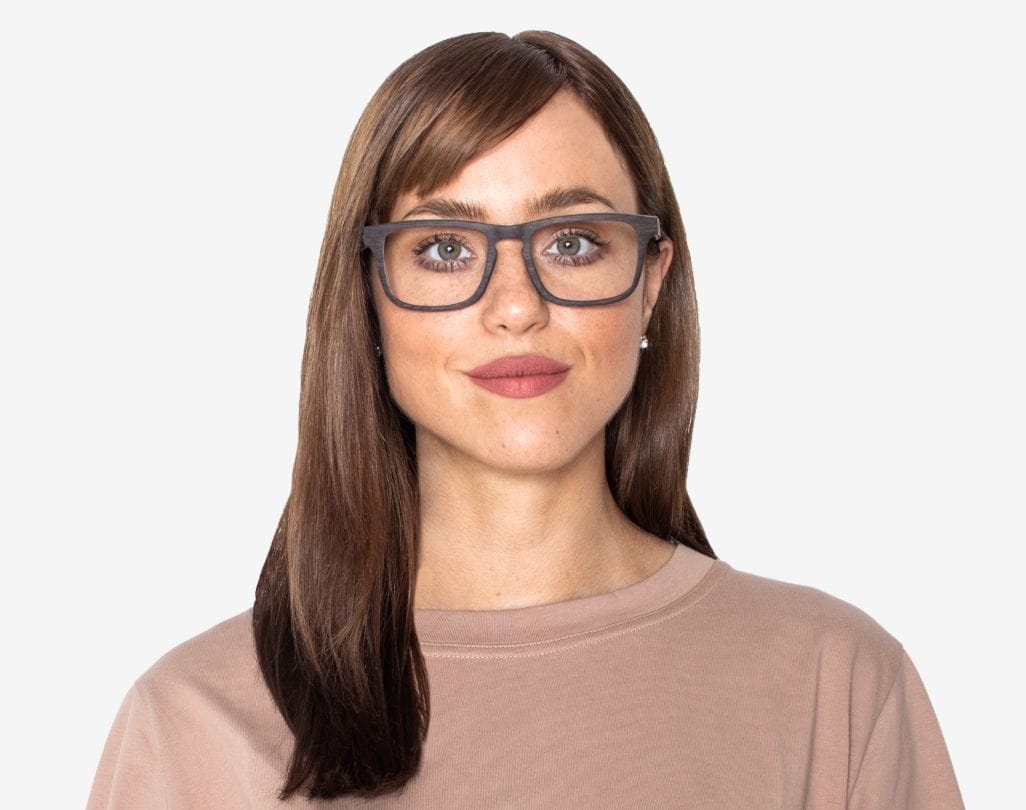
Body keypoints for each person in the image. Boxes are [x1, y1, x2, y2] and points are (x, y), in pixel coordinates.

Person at [87, 31, 964, 808]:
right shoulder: (194, 723)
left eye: (573, 242)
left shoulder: (835, 687)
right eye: (443, 249)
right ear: (368, 301)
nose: (516, 307)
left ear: (652, 281)